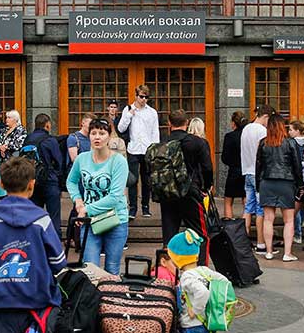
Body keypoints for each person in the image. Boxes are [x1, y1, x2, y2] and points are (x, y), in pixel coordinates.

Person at [0, 156, 67, 306]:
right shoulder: (42, 220)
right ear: (31, 184)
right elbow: (58, 262)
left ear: (1, 184)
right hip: (37, 302)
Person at [66, 117, 130, 274]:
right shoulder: (82, 159)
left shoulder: (119, 161)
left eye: (102, 133)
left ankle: (109, 291)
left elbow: (115, 196)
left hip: (115, 219)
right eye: (93, 133)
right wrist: (78, 200)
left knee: (112, 268)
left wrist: (86, 209)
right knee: (90, 268)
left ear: (109, 136)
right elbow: (71, 181)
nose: (97, 137)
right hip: (90, 221)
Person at [160, 110, 213, 265]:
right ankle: (201, 268)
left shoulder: (162, 143)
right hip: (191, 192)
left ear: (169, 123)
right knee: (200, 234)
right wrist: (206, 187)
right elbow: (207, 168)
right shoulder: (197, 142)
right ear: (187, 122)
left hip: (168, 192)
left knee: (169, 236)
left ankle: (168, 271)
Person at [256, 114, 303, 262]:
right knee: (288, 220)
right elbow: (297, 165)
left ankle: (269, 251)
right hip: (286, 182)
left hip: (267, 181)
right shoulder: (290, 143)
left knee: (268, 219)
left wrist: (258, 184)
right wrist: (300, 184)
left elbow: (258, 165)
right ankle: (287, 253)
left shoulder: (263, 143)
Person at [118, 85, 160, 219]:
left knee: (146, 180)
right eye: (141, 96)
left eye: (146, 97)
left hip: (147, 149)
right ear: (136, 96)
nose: (144, 99)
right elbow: (121, 128)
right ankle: (132, 208)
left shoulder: (152, 112)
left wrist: (155, 149)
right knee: (133, 180)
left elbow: (155, 132)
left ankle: (145, 207)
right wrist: (129, 115)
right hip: (133, 149)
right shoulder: (128, 109)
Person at [25, 113, 64, 239]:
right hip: (49, 180)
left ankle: (35, 240)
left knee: (35, 215)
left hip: (32, 180)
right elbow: (58, 161)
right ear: (47, 125)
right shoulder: (50, 140)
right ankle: (54, 241)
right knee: (54, 216)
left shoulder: (28, 139)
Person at [241, 105, 272, 252]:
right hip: (258, 173)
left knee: (248, 208)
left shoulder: (246, 129)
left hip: (247, 171)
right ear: (265, 116)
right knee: (260, 210)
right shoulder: (262, 131)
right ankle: (260, 243)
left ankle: (244, 242)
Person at [221, 112, 247, 219]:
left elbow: (224, 157)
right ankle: (245, 225)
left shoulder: (229, 136)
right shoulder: (247, 135)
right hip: (246, 170)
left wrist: (232, 163)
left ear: (233, 123)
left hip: (233, 171)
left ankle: (229, 225)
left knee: (228, 200)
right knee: (246, 200)